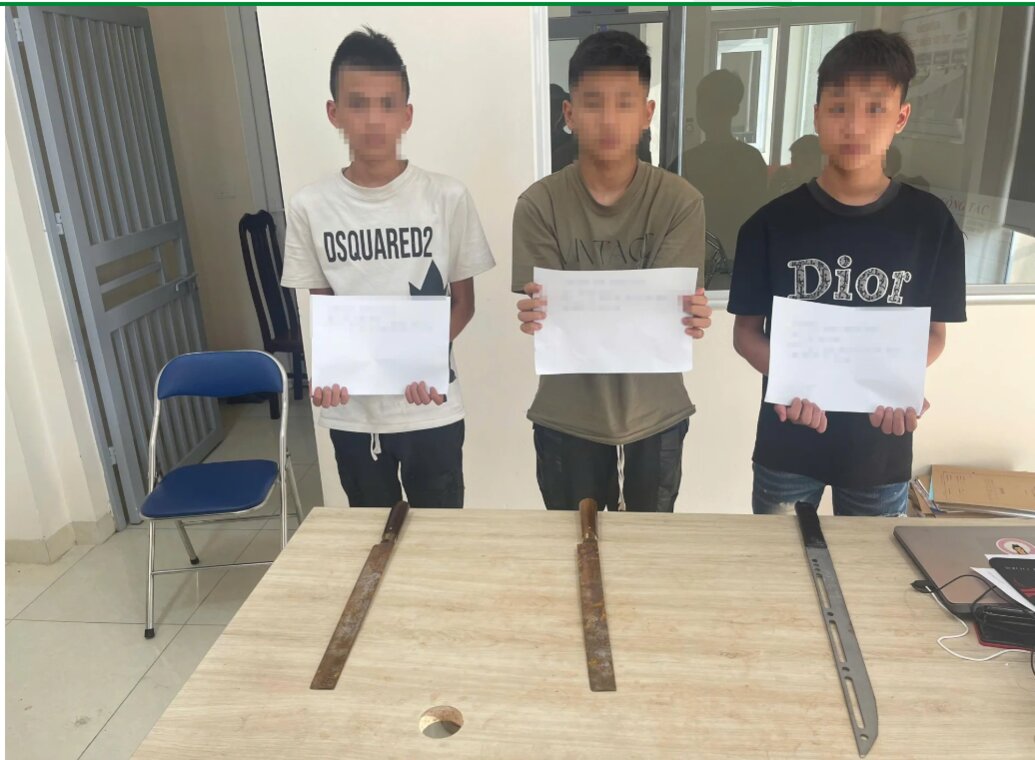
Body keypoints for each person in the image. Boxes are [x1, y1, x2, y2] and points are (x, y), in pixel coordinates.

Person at [728, 29, 966, 517]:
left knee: (870, 564)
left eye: (875, 108)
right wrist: (792, 379)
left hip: (880, 445)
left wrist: (901, 381)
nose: (855, 126)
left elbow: (935, 334)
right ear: (817, 116)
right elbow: (746, 333)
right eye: (838, 108)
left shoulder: (931, 224)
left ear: (901, 117)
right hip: (788, 439)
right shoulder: (770, 224)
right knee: (782, 562)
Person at [280, 27, 495, 508]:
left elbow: (463, 303)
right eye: (358, 104)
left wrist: (424, 359)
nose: (374, 119)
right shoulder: (311, 206)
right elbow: (325, 310)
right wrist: (327, 373)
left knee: (438, 536)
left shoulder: (447, 197)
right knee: (372, 532)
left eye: (387, 104)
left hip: (431, 407)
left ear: (407, 114)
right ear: (334, 112)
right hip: (353, 416)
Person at [513, 31, 713, 512]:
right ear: (569, 114)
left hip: (656, 411)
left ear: (647, 113)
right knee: (573, 543)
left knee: (649, 546)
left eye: (625, 103)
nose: (608, 119)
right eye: (592, 102)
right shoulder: (539, 205)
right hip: (566, 413)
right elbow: (559, 316)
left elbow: (662, 314)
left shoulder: (680, 202)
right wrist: (540, 316)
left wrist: (687, 314)